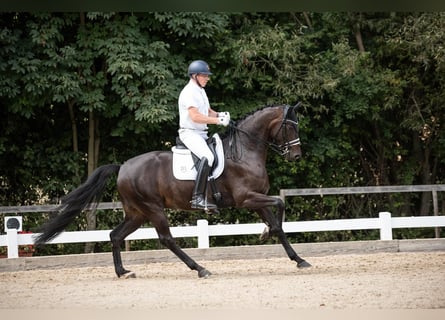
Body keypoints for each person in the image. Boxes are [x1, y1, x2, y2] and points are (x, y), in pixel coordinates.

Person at [178, 60, 230, 210]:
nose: (207, 78)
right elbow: (195, 116)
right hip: (190, 133)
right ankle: (197, 198)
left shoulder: (200, 90)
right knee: (209, 157)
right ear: (194, 76)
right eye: (204, 75)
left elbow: (206, 111)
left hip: (201, 133)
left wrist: (220, 114)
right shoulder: (188, 92)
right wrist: (218, 121)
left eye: (207, 75)